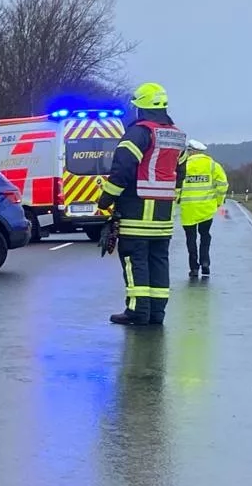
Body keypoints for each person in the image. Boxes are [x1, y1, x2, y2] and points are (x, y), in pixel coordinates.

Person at [96, 82, 188, 326]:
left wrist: (106, 198)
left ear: (141, 108)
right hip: (163, 215)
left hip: (137, 211)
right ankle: (156, 312)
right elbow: (180, 174)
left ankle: (137, 310)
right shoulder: (178, 136)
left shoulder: (139, 133)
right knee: (158, 261)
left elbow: (123, 170)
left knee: (134, 259)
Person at [179, 138, 228, 277]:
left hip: (188, 209)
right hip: (206, 209)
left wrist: (176, 200)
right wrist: (218, 201)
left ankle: (194, 267)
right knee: (205, 235)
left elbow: (176, 184)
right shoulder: (213, 165)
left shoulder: (183, 165)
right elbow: (222, 185)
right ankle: (205, 262)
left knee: (190, 238)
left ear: (191, 151)